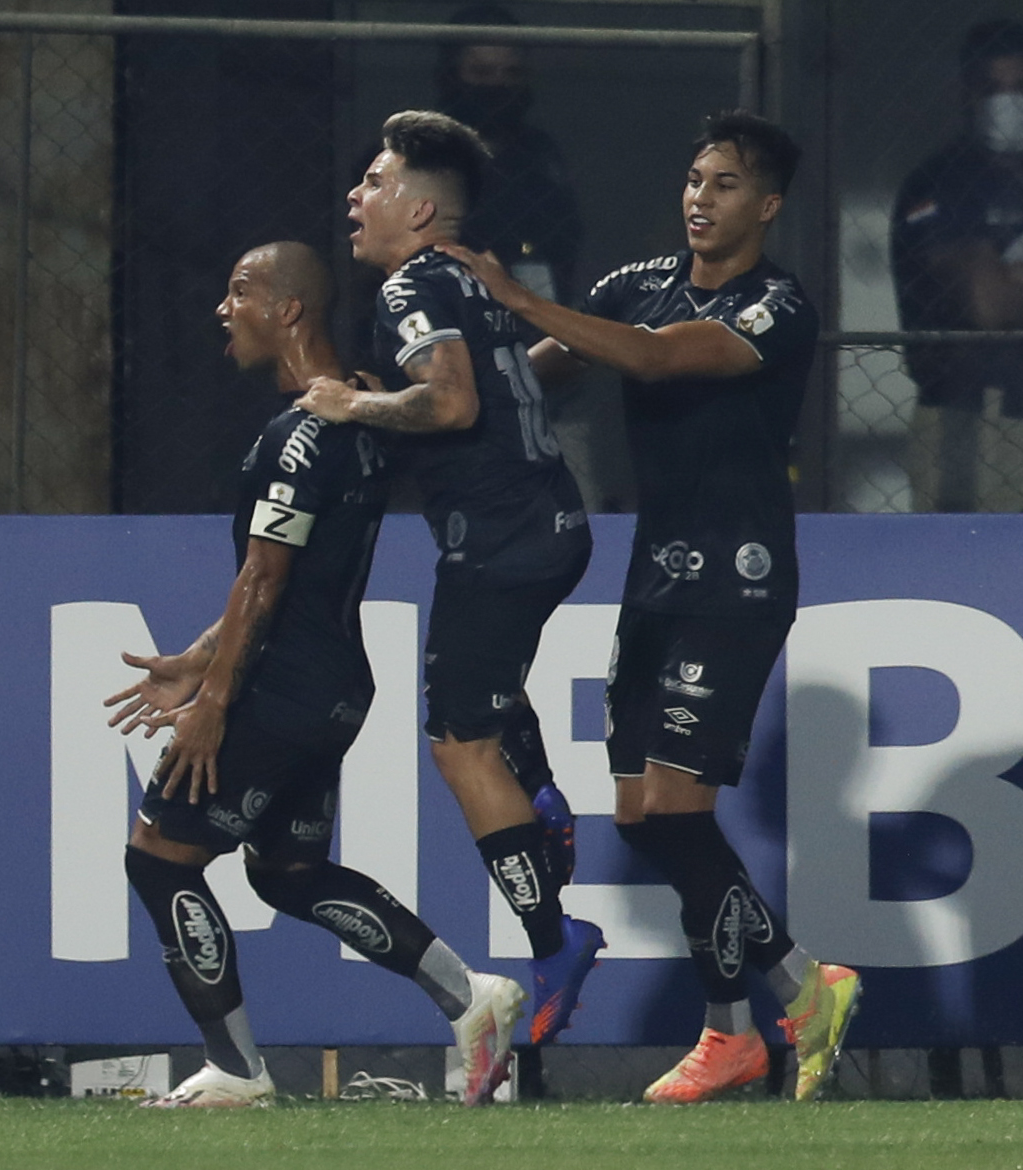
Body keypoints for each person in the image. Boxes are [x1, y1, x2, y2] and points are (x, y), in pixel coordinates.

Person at [438, 110, 861, 1104]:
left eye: (722, 185)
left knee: (677, 808)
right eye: (693, 178)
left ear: (766, 205)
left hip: (738, 579)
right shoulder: (634, 286)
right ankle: (749, 1024)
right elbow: (545, 382)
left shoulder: (775, 307)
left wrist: (512, 292)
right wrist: (442, 393)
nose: (699, 198)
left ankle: (781, 999)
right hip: (656, 576)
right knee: (641, 814)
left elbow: (661, 358)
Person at [105, 241, 526, 1108]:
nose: (224, 310)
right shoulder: (360, 413)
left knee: (159, 858)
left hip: (280, 689)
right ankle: (468, 996)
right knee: (284, 872)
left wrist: (214, 702)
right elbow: (286, 577)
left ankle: (235, 1068)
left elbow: (263, 578)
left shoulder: (302, 433)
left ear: (288, 309)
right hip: (329, 683)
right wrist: (194, 659)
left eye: (239, 292)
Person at [295, 111, 604, 1050]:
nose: (356, 195)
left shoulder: (410, 287)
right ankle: (543, 804)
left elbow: (452, 398)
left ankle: (554, 942)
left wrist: (352, 403)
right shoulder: (468, 274)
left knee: (455, 745)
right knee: (488, 694)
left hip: (501, 540)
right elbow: (515, 378)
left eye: (375, 181)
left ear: (420, 206)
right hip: (552, 521)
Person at [892, 18, 1023, 513]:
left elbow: (1003, 293)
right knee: (969, 574)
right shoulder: (941, 184)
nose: (1010, 102)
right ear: (968, 94)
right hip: (968, 414)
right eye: (994, 88)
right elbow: (986, 303)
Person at [437, 3, 582, 309]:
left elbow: (565, 236)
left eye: (511, 73)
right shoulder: (425, 148)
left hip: (529, 299)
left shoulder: (540, 153)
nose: (497, 85)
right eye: (482, 72)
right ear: (452, 74)